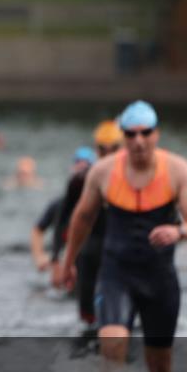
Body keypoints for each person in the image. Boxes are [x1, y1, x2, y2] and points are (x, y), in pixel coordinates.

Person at [58, 101, 187, 372]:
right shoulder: (103, 172)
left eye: (145, 133)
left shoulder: (177, 170)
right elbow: (81, 219)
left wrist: (180, 231)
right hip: (116, 276)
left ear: (156, 134)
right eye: (131, 134)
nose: (138, 141)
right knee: (112, 354)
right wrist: (68, 264)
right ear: (123, 137)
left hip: (159, 281)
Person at [50, 122, 124, 329]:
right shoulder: (80, 180)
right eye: (102, 149)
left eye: (114, 148)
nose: (108, 154)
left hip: (121, 254)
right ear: (96, 148)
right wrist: (58, 259)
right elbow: (62, 219)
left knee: (120, 319)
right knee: (88, 319)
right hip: (88, 252)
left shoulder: (135, 178)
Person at [31, 147, 95, 274]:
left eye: (86, 167)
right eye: (78, 165)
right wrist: (39, 257)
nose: (81, 171)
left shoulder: (100, 206)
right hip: (63, 264)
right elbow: (37, 230)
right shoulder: (59, 205)